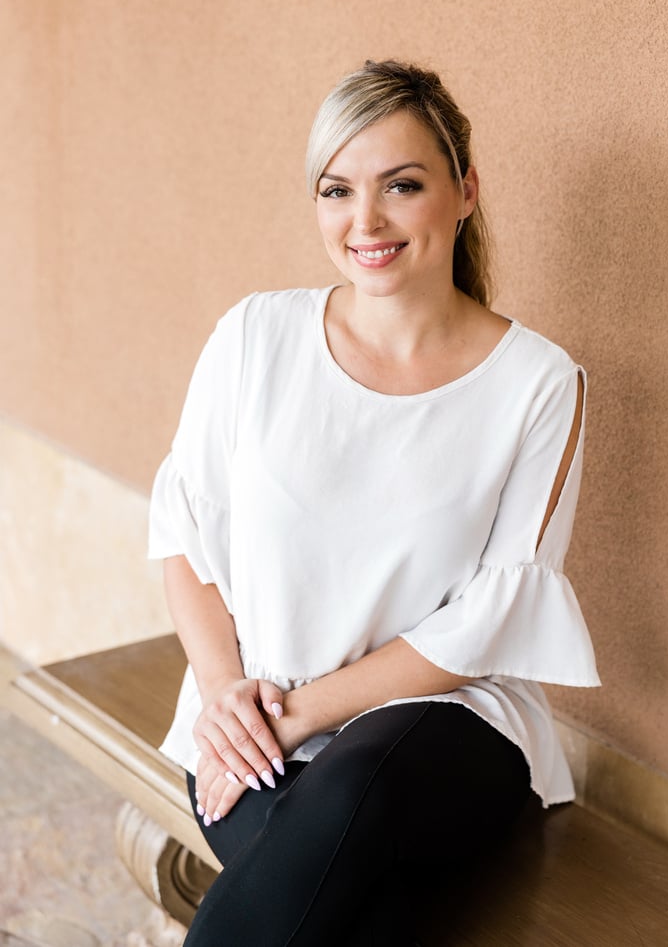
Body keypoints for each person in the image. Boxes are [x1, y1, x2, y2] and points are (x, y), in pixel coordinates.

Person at [148, 59, 600, 945]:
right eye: (337, 190)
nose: (366, 222)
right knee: (364, 914)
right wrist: (223, 695)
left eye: (402, 185)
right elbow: (184, 528)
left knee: (351, 793)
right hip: (251, 722)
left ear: (465, 191)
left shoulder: (538, 383)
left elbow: (491, 617)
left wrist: (302, 711)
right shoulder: (254, 337)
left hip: (445, 726)